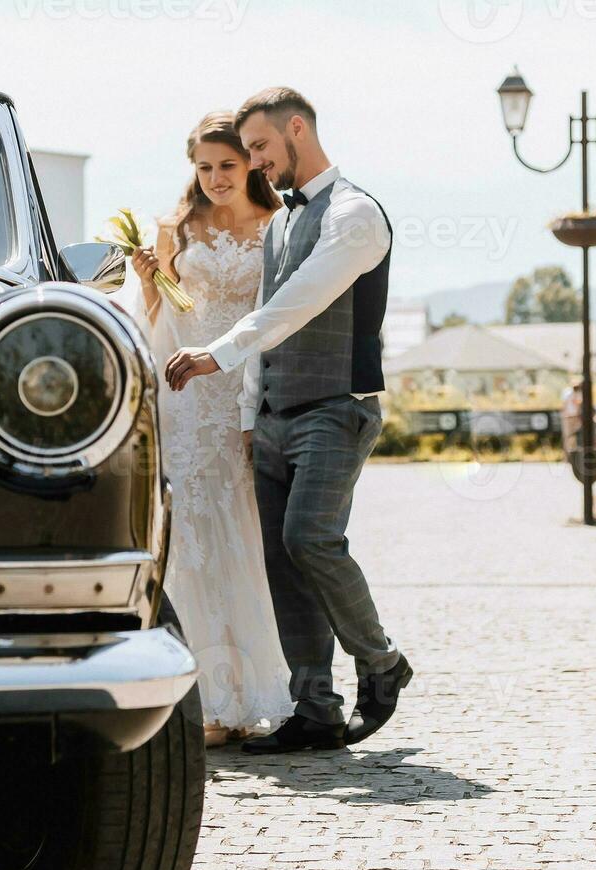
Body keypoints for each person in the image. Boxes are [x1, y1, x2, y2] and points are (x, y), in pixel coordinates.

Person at [163, 87, 412, 755]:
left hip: (336, 407)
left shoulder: (355, 215)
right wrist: (247, 413)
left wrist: (216, 354)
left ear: (297, 128)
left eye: (261, 148)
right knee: (280, 562)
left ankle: (382, 661)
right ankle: (316, 710)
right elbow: (269, 322)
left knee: (310, 540)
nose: (255, 164)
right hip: (270, 413)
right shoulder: (278, 224)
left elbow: (298, 302)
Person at [128, 111, 295, 747]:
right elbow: (159, 317)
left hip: (245, 393)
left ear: (252, 163)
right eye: (205, 167)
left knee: (245, 533)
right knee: (191, 536)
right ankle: (203, 704)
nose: (217, 178)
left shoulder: (279, 227)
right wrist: (148, 279)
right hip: (188, 395)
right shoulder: (177, 227)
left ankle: (253, 692)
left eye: (228, 164)